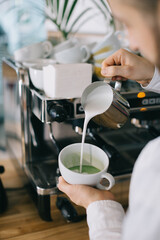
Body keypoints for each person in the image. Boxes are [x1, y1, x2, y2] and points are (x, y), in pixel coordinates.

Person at [58, 0, 160, 239]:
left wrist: (100, 205)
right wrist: (152, 75)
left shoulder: (155, 165)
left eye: (128, 23)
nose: (132, 42)